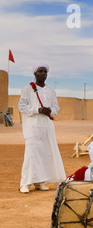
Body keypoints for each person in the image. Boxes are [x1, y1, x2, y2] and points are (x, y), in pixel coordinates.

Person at [18, 62, 66, 193]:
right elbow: (22, 106)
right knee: (31, 155)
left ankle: (40, 182)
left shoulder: (51, 91)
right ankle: (25, 183)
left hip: (47, 127)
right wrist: (37, 109)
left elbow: (56, 107)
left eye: (45, 72)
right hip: (32, 127)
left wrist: (50, 110)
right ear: (35, 73)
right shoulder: (27, 89)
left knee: (45, 154)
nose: (43, 74)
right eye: (40, 71)